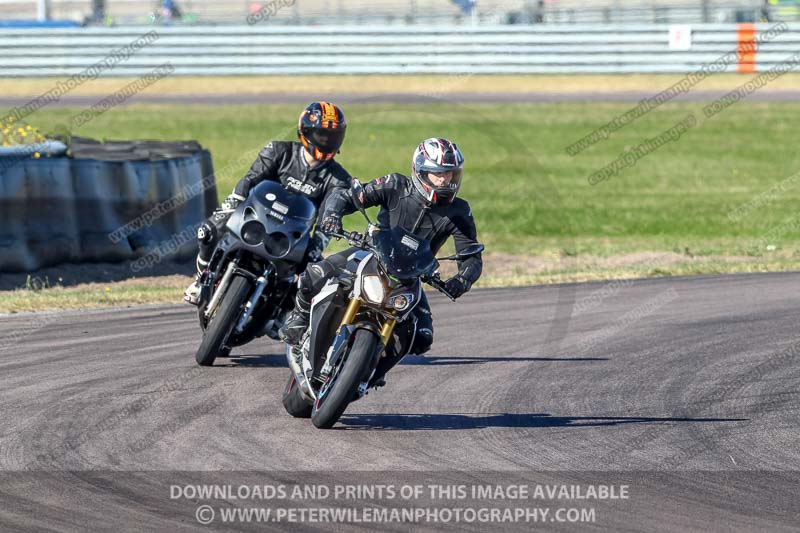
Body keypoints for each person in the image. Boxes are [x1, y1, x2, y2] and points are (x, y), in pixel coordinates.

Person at [279, 137, 483, 387]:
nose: (445, 180)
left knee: (422, 336)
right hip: (371, 254)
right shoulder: (395, 185)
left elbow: (471, 255)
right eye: (437, 174)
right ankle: (299, 317)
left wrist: (462, 280)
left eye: (450, 174)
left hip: (410, 276)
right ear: (420, 171)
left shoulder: (460, 211)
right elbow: (347, 196)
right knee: (315, 273)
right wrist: (332, 215)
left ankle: (373, 368)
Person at [184, 101, 352, 305]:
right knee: (207, 231)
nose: (326, 140)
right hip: (257, 218)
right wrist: (231, 204)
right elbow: (249, 181)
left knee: (315, 274)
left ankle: (288, 317)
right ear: (305, 131)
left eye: (332, 136)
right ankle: (201, 280)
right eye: (321, 134)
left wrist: (318, 244)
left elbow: (330, 214)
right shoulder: (279, 151)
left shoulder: (339, 179)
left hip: (293, 236)